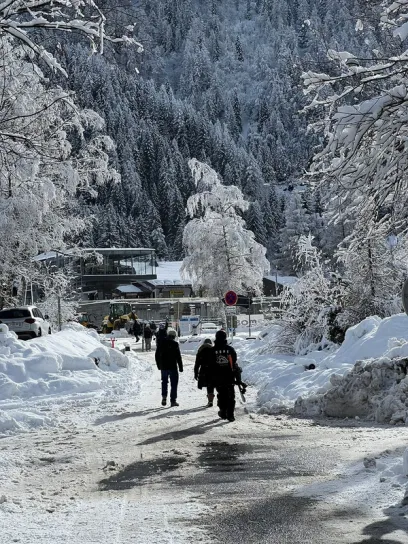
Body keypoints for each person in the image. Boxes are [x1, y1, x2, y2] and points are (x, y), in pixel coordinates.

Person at [207, 329, 242, 422]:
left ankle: (222, 411)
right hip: (229, 377)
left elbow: (209, 364)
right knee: (231, 396)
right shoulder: (230, 349)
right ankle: (230, 415)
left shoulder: (212, 350)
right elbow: (234, 362)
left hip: (217, 377)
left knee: (221, 394)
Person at [156, 328, 183, 407]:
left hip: (164, 367)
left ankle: (164, 397)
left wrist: (158, 365)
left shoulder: (161, 343)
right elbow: (178, 357)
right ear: (174, 336)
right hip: (173, 367)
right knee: (174, 384)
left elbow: (157, 355)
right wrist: (180, 367)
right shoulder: (175, 344)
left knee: (164, 382)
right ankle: (173, 400)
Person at [194, 338, 215, 407]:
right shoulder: (213, 350)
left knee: (208, 385)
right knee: (211, 385)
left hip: (204, 370)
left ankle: (209, 400)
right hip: (212, 370)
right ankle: (211, 400)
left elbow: (197, 364)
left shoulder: (200, 350)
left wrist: (196, 373)